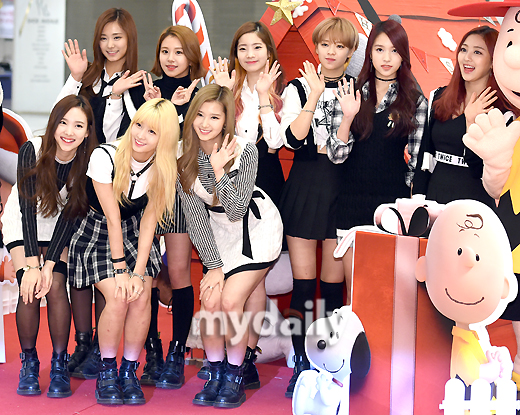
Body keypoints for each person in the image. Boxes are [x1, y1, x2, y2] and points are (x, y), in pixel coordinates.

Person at [67, 98, 179, 405]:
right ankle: (107, 371)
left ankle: (129, 371)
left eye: (152, 131)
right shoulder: (105, 156)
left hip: (134, 234)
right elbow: (112, 219)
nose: (140, 135)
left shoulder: (164, 167)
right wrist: (121, 271)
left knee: (141, 294)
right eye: (138, 125)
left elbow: (149, 224)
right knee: (118, 295)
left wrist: (139, 273)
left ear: (165, 138)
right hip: (95, 231)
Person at [177, 84, 282, 408]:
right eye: (200, 115)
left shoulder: (245, 150)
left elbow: (236, 210)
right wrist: (213, 267)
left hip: (256, 230)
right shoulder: (183, 157)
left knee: (231, 299)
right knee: (210, 299)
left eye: (214, 117)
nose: (205, 123)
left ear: (226, 121)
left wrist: (219, 169)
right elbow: (196, 218)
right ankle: (216, 372)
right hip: (218, 234)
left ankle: (236, 374)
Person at [57, 7, 144, 379]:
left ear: (129, 40)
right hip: (80, 184)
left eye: (117, 37)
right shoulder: (88, 75)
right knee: (79, 268)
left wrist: (117, 95)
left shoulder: (139, 80)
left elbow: (118, 137)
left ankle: (104, 348)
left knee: (110, 271)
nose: (110, 45)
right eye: (105, 37)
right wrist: (77, 78)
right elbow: (60, 116)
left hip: (116, 188)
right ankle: (84, 342)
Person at [278, 16, 359, 398]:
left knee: (331, 290)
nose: (331, 51)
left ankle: (329, 365)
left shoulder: (357, 89)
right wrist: (312, 95)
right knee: (303, 286)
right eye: (325, 44)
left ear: (350, 51)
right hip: (305, 187)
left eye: (340, 46)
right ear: (316, 46)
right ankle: (301, 363)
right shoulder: (298, 86)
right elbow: (291, 141)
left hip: (342, 191)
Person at [1, 95, 96, 397]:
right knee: (28, 286)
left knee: (55, 284)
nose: (69, 131)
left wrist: (49, 263)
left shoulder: (87, 161)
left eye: (78, 125)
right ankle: (29, 363)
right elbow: (27, 208)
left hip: (59, 225)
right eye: (63, 122)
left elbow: (70, 215)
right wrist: (32, 265)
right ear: (54, 122)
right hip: (23, 220)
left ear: (87, 131)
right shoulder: (32, 149)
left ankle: (59, 363)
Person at [209, 20, 284, 390]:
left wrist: (266, 97)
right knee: (241, 279)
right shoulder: (228, 87)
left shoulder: (282, 91)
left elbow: (276, 141)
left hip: (265, 184)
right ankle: (232, 360)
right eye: (243, 48)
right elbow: (211, 134)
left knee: (255, 278)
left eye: (257, 47)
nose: (250, 54)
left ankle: (246, 359)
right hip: (228, 183)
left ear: (268, 51)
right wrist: (224, 93)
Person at [449, 0, 520, 392]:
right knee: (482, 300)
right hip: (506, 225)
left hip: (487, 215)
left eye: (479, 51)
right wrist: (493, 160)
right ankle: (478, 378)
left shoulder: (498, 108)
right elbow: (495, 184)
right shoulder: (503, 120)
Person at [134, 25, 204, 389]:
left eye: (179, 52)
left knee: (178, 272)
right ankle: (152, 350)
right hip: (146, 188)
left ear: (191, 56)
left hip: (179, 189)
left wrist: (179, 109)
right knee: (144, 271)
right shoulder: (148, 90)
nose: (171, 58)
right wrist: (152, 106)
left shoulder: (201, 93)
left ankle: (177, 351)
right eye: (165, 51)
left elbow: (192, 144)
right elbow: (136, 140)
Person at [416, 200, 517, 394]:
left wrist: (495, 359)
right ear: (423, 269)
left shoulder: (474, 336)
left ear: (504, 286)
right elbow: (472, 374)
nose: (468, 260)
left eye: (478, 257)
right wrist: (494, 369)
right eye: (459, 252)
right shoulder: (462, 344)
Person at [413, 26, 509, 209]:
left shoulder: (501, 111)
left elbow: (483, 172)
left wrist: (471, 123)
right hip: (435, 199)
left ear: (493, 61)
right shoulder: (438, 97)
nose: (467, 58)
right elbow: (425, 156)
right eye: (464, 50)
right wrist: (418, 200)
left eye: (477, 52)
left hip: (474, 204)